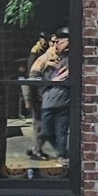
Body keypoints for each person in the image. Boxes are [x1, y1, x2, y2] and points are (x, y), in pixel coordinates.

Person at [30, 29, 72, 161]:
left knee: (61, 131)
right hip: (46, 101)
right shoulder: (45, 60)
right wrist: (31, 99)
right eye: (54, 42)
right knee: (46, 131)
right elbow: (33, 79)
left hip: (63, 101)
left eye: (58, 41)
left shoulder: (69, 58)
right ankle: (39, 150)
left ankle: (61, 154)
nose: (56, 45)